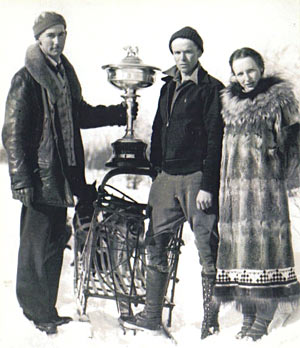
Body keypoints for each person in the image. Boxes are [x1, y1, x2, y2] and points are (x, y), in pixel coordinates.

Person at [1, 11, 135, 335]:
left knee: (55, 241)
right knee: (35, 246)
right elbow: (13, 133)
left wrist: (118, 113)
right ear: (39, 39)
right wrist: (21, 179)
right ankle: (35, 310)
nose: (57, 41)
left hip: (64, 175)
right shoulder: (26, 79)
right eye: (50, 36)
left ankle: (47, 307)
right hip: (39, 175)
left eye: (61, 34)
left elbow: (79, 114)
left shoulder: (64, 74)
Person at [122, 26, 224, 339]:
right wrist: (155, 169)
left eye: (188, 51)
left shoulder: (211, 89)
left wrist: (208, 184)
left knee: (207, 246)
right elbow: (157, 128)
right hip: (166, 176)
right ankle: (152, 316)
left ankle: (211, 320)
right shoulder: (167, 85)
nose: (182, 57)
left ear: (199, 53)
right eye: (177, 52)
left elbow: (214, 140)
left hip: (196, 178)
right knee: (155, 243)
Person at [214, 47, 300, 341]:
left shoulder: (280, 99)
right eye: (239, 73)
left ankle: (264, 317)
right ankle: (248, 314)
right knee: (240, 252)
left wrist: (283, 175)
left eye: (250, 70)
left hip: (266, 191)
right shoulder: (229, 103)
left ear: (261, 69)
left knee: (265, 251)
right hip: (235, 194)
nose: (246, 78)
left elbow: (295, 143)